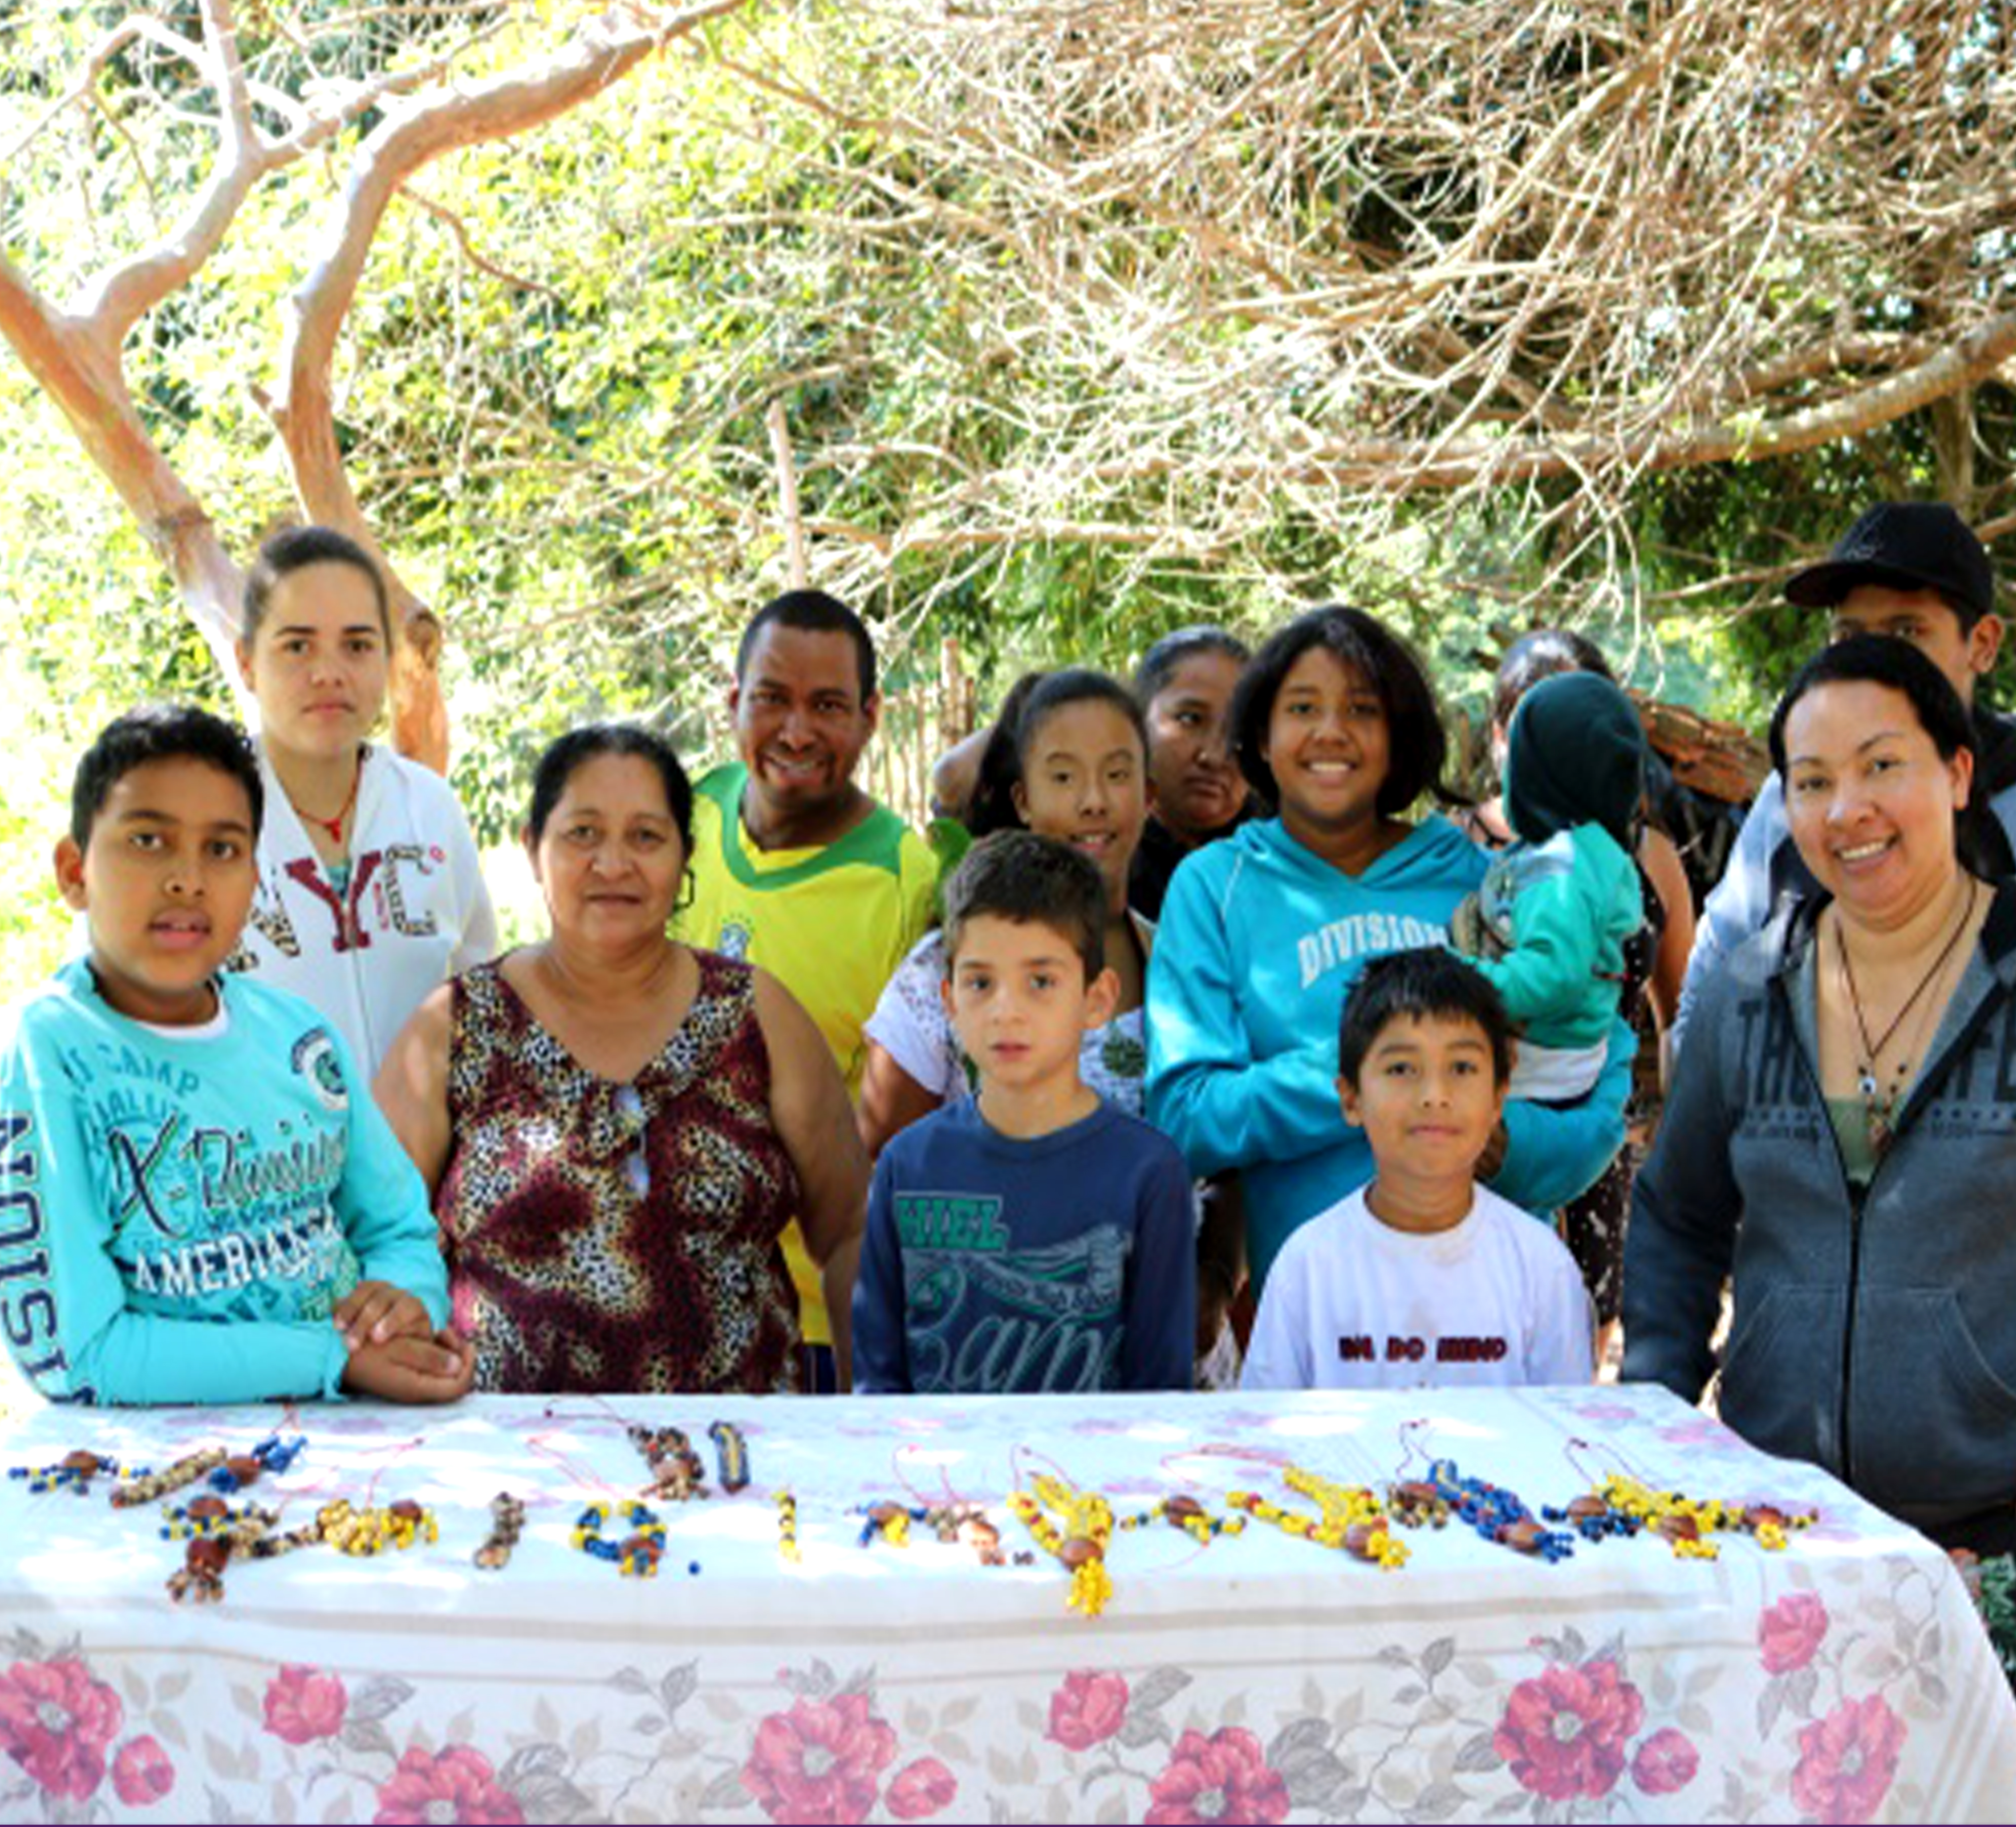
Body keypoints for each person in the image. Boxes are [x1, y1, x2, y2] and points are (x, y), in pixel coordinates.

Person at [1626, 637, 2016, 1553]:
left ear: (1958, 774)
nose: (1849, 809)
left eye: (1883, 764)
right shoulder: (1748, 990)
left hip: (1992, 1541)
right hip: (1772, 1532)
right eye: (1811, 781)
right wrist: (1657, 1430)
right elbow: (1678, 1216)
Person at [1147, 604, 1633, 1297]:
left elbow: (1599, 1064)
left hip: (1485, 1302)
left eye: (1363, 709)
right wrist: (1368, 1068)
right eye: (1303, 707)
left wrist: (1512, 1147)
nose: (1331, 731)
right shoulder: (1214, 888)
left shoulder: (1478, 878)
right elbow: (1187, 1114)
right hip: (1315, 1318)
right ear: (1260, 732)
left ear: (1400, 734)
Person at [375, 725, 868, 1395]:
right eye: (583, 833)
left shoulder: (759, 1016)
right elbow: (376, 1243)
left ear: (685, 857)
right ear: (532, 848)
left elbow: (847, 1233)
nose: (613, 864)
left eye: (646, 836)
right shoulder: (454, 1026)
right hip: (507, 1470)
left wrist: (863, 1416)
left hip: (739, 1465)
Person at [0, 705, 467, 1406]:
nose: (187, 878)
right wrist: (330, 1359)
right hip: (153, 1469)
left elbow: (399, 1228)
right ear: (75, 870)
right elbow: (80, 1354)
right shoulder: (52, 1052)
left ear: (257, 876)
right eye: (149, 839)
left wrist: (404, 1304)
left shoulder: (300, 1038)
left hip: (354, 1445)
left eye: (222, 849)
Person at [676, 589, 938, 1387]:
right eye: (772, 700)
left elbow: (897, 1128)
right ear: (732, 703)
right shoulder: (685, 812)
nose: (796, 731)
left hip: (812, 1314)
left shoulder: (906, 883)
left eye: (827, 706)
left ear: (869, 717)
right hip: (665, 1293)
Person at [852, 832, 1196, 1395]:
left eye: (1041, 981)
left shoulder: (1150, 1173)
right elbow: (878, 1382)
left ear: (1097, 1000)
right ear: (949, 1001)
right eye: (981, 983)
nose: (1006, 1011)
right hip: (938, 1480)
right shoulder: (906, 1168)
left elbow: (1160, 1390)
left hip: (1094, 1481)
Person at [1675, 502, 2013, 1052]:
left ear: (1982, 644)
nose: (1874, 663)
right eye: (1850, 636)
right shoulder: (1789, 803)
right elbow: (1715, 970)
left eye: (1907, 632)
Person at [1460, 628, 1694, 1350]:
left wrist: (1672, 1145)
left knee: (1575, 1338)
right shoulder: (1458, 847)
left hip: (1594, 1117)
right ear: (1502, 734)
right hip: (1478, 1125)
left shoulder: (1644, 855)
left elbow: (1679, 1007)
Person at [1242, 950, 1592, 1391]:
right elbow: (1269, 1434)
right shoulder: (1308, 1266)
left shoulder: (1542, 1268)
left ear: (1499, 1098)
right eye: (1401, 1068)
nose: (1434, 1095)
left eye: (1462, 1068)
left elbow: (1564, 1439)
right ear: (1351, 1099)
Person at [228, 526, 497, 1077]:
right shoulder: (197, 817)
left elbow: (488, 1003)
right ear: (247, 662)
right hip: (258, 1160)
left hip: (422, 1160)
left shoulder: (430, 810)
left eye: (357, 645)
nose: (329, 673)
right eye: (297, 645)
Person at [860, 670, 1157, 1149]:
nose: (1094, 802)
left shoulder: (1178, 962)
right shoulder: (944, 966)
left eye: (1118, 776)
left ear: (1150, 796)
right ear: (1023, 800)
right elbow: (880, 1159)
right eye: (1063, 777)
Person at [1455, 670, 1647, 1104]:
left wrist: (1461, 980)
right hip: (1564, 1056)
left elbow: (1552, 978)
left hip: (1540, 1064)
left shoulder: (1560, 869)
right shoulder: (1592, 851)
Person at [1129, 627, 1255, 920]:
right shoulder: (1102, 864)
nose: (1214, 756)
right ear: (1137, 721)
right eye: (1190, 719)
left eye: (1238, 731)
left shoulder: (1281, 866)